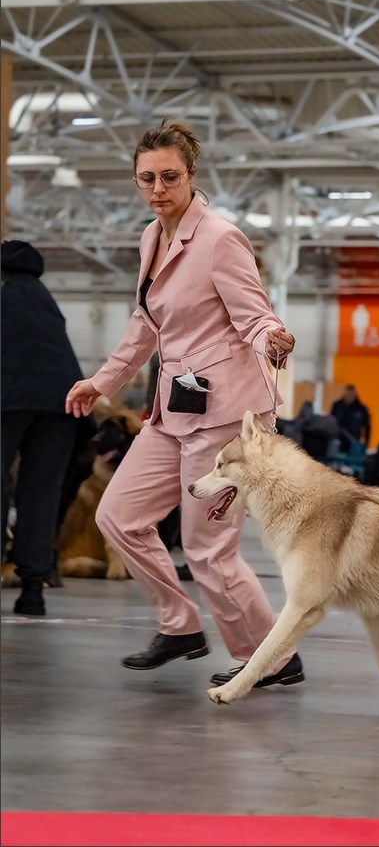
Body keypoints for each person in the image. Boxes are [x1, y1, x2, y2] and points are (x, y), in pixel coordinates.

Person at [65, 118, 303, 691]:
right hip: (172, 410)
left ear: (191, 175)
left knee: (208, 550)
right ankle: (180, 626)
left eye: (169, 176)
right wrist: (102, 381)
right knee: (117, 517)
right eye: (146, 178)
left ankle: (273, 658)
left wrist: (272, 337)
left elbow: (253, 314)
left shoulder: (220, 238)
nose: (158, 187)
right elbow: (145, 324)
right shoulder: (151, 237)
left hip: (226, 417)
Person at [1, 240, 84, 616]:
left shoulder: (4, 289)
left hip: (9, 396)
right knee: (41, 491)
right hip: (60, 404)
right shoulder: (43, 297)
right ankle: (33, 588)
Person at [330, 384, 371, 454]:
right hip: (338, 440)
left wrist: (365, 443)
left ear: (354, 394)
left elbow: (366, 426)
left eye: (351, 394)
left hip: (354, 441)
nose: (349, 396)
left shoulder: (361, 409)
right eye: (347, 394)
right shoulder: (337, 406)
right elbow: (331, 421)